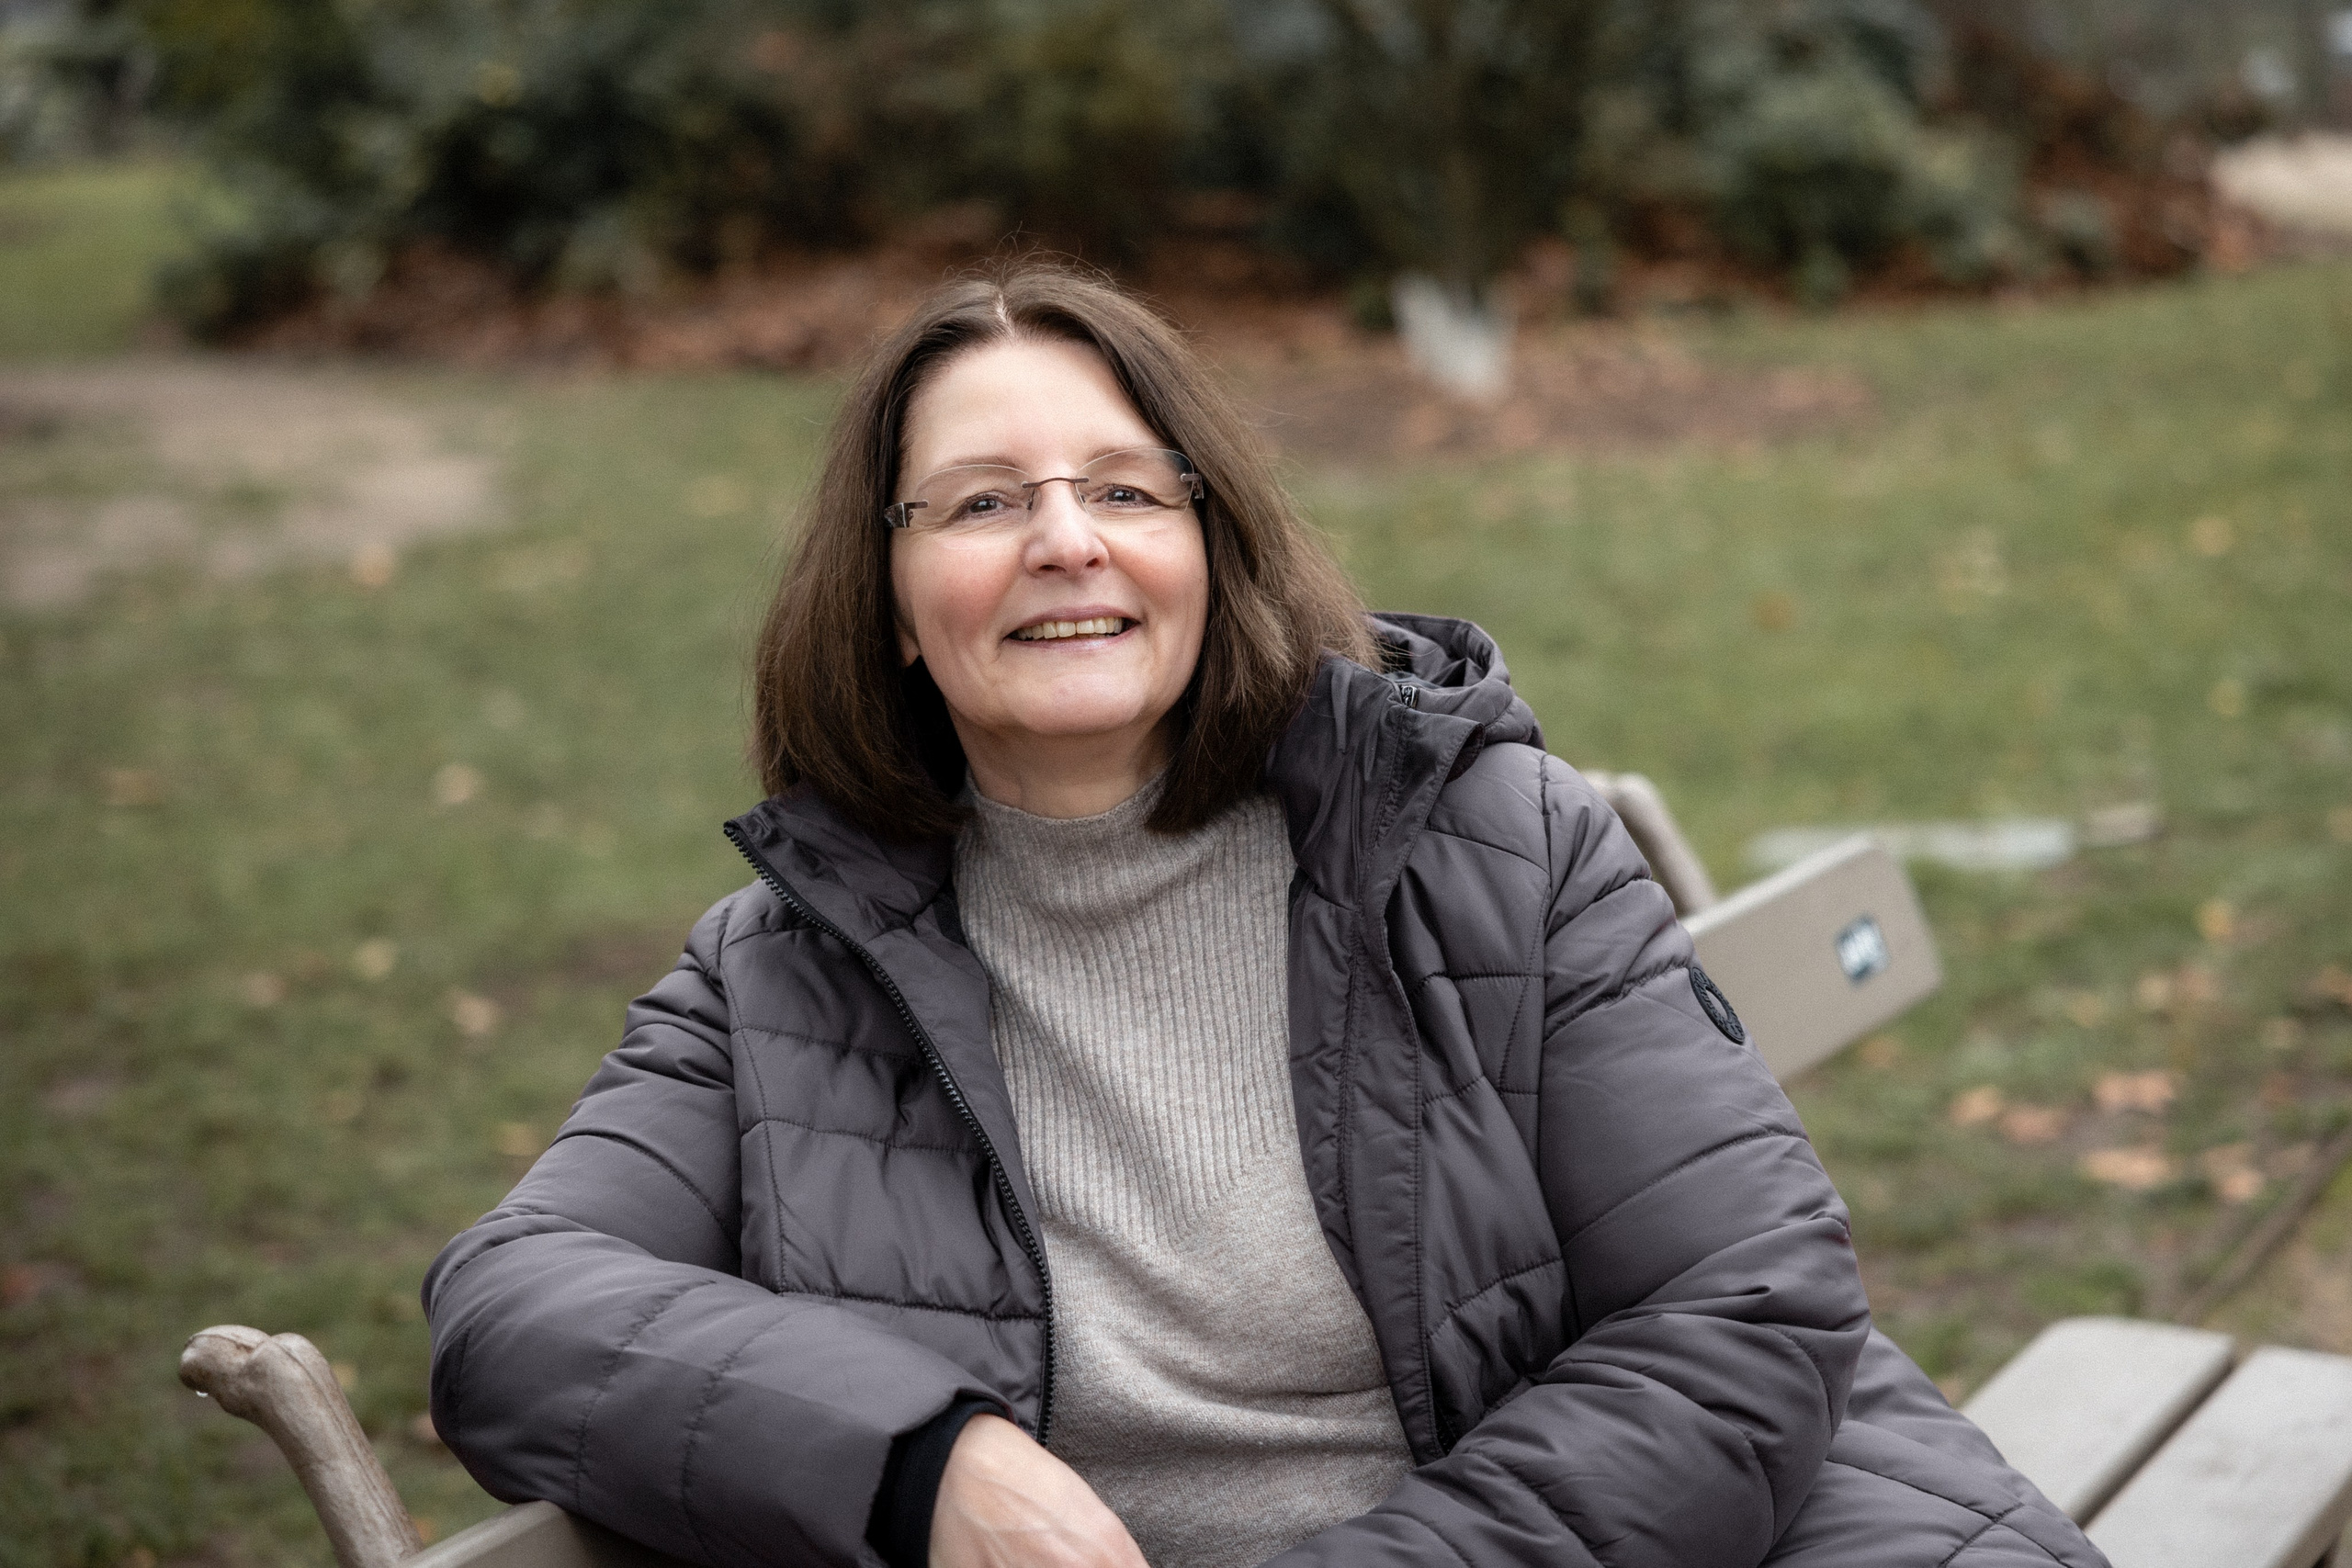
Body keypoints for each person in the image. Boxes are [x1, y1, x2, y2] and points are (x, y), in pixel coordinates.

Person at [422, 261, 2105, 1568]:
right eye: (986, 501)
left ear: (1212, 554)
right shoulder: (778, 976)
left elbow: (1744, 1309)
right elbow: (513, 1307)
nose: (1066, 541)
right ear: (893, 606)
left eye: (1130, 491)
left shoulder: (1487, 849)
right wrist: (921, 1458)